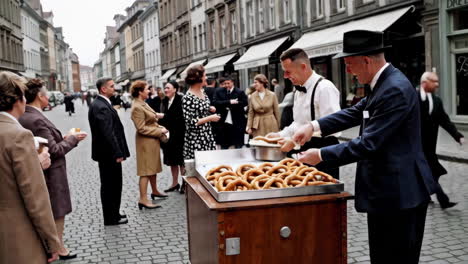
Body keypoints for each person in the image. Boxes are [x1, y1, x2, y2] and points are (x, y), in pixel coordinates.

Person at [292, 30, 437, 264]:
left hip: (400, 195)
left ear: (366, 60)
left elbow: (369, 143)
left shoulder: (394, 88)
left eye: (349, 64)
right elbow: (357, 112)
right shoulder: (382, 83)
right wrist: (314, 125)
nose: (348, 71)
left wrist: (320, 155)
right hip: (386, 193)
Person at [19, 78, 87, 260]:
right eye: (46, 94)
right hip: (51, 173)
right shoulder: (35, 119)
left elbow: (47, 144)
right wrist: (72, 139)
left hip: (47, 171)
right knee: (57, 211)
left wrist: (63, 137)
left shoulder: (29, 115)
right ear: (40, 97)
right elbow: (54, 150)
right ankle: (57, 248)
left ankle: (55, 246)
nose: (49, 97)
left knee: (55, 210)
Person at [0, 71, 60, 264]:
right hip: (17, 233)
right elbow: (35, 196)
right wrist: (52, 242)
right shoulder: (19, 136)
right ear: (17, 100)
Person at [267, 48, 341, 178]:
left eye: (288, 72)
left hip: (323, 152)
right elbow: (298, 123)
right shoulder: (297, 91)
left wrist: (294, 141)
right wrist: (279, 135)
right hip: (303, 153)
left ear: (303, 67)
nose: (285, 76)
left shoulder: (325, 88)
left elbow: (334, 128)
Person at [418, 71, 464, 209]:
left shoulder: (436, 101)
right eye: (435, 82)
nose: (437, 85)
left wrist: (458, 136)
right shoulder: (413, 97)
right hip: (415, 145)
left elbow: (445, 121)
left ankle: (424, 195)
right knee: (430, 172)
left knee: (434, 172)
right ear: (425, 83)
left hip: (430, 146)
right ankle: (443, 200)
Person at [88, 77, 130, 226]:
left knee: (111, 185)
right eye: (112, 86)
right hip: (109, 155)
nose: (115, 88)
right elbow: (108, 133)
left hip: (107, 154)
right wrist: (117, 153)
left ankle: (114, 213)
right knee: (111, 185)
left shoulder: (102, 103)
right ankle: (111, 217)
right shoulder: (101, 106)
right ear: (103, 89)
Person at [130, 80, 168, 209]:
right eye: (147, 89)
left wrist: (158, 118)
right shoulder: (136, 107)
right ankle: (143, 199)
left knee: (152, 168)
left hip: (151, 141)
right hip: (145, 142)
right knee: (145, 171)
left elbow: (150, 118)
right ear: (140, 92)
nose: (149, 91)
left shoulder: (143, 104)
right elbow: (141, 128)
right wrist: (159, 130)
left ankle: (155, 190)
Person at [182, 64, 220, 160]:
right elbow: (190, 122)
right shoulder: (188, 97)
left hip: (207, 134)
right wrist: (210, 118)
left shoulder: (203, 91)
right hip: (196, 138)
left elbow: (199, 108)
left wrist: (209, 108)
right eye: (204, 75)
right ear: (198, 78)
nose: (206, 78)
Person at [159, 81, 185, 193]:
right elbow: (163, 117)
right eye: (165, 88)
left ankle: (185, 183)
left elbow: (180, 117)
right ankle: (175, 183)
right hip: (168, 136)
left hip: (179, 135)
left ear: (175, 89)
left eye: (168, 88)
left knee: (181, 161)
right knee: (172, 161)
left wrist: (165, 117)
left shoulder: (181, 100)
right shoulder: (164, 101)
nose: (166, 90)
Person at [213, 75, 248, 149]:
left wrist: (236, 103)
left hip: (237, 120)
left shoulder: (240, 92)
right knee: (224, 143)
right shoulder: (219, 91)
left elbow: (245, 103)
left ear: (233, 83)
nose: (226, 85)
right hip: (223, 121)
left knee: (238, 143)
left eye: (228, 83)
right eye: (225, 83)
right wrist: (229, 102)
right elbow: (215, 102)